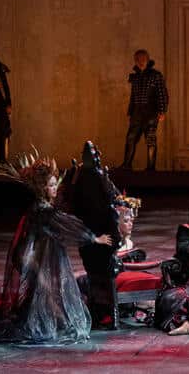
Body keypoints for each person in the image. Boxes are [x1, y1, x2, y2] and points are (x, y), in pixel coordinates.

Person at [0, 152, 112, 343]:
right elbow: (67, 224)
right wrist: (95, 238)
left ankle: (47, 319)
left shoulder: (42, 207)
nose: (55, 188)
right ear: (42, 187)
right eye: (51, 185)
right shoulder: (43, 210)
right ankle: (47, 322)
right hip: (29, 258)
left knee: (44, 293)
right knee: (46, 292)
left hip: (32, 256)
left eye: (55, 184)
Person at [59, 141, 122, 330]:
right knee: (98, 273)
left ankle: (107, 313)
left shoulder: (92, 175)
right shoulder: (84, 176)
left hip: (98, 233)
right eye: (93, 155)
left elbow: (112, 196)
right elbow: (110, 197)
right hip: (92, 233)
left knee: (102, 273)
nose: (96, 157)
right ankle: (101, 312)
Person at [120, 49, 168, 171]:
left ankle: (151, 168)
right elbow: (133, 96)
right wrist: (131, 111)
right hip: (137, 112)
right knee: (131, 138)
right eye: (138, 59)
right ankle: (127, 165)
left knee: (150, 139)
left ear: (147, 60)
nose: (140, 62)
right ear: (135, 61)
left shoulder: (156, 75)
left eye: (143, 59)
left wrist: (162, 110)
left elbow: (162, 93)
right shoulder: (135, 77)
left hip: (151, 112)